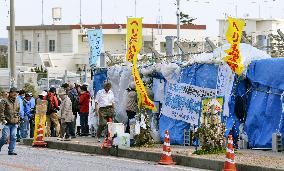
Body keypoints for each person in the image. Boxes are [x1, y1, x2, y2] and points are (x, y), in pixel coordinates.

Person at [0, 87, 20, 155]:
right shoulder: (4, 101)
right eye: (14, 92)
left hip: (14, 123)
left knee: (14, 137)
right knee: (4, 138)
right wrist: (3, 119)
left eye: (16, 92)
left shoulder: (17, 101)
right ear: (10, 93)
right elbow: (1, 111)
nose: (15, 94)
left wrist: (18, 120)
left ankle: (11, 150)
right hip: (6, 123)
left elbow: (18, 112)